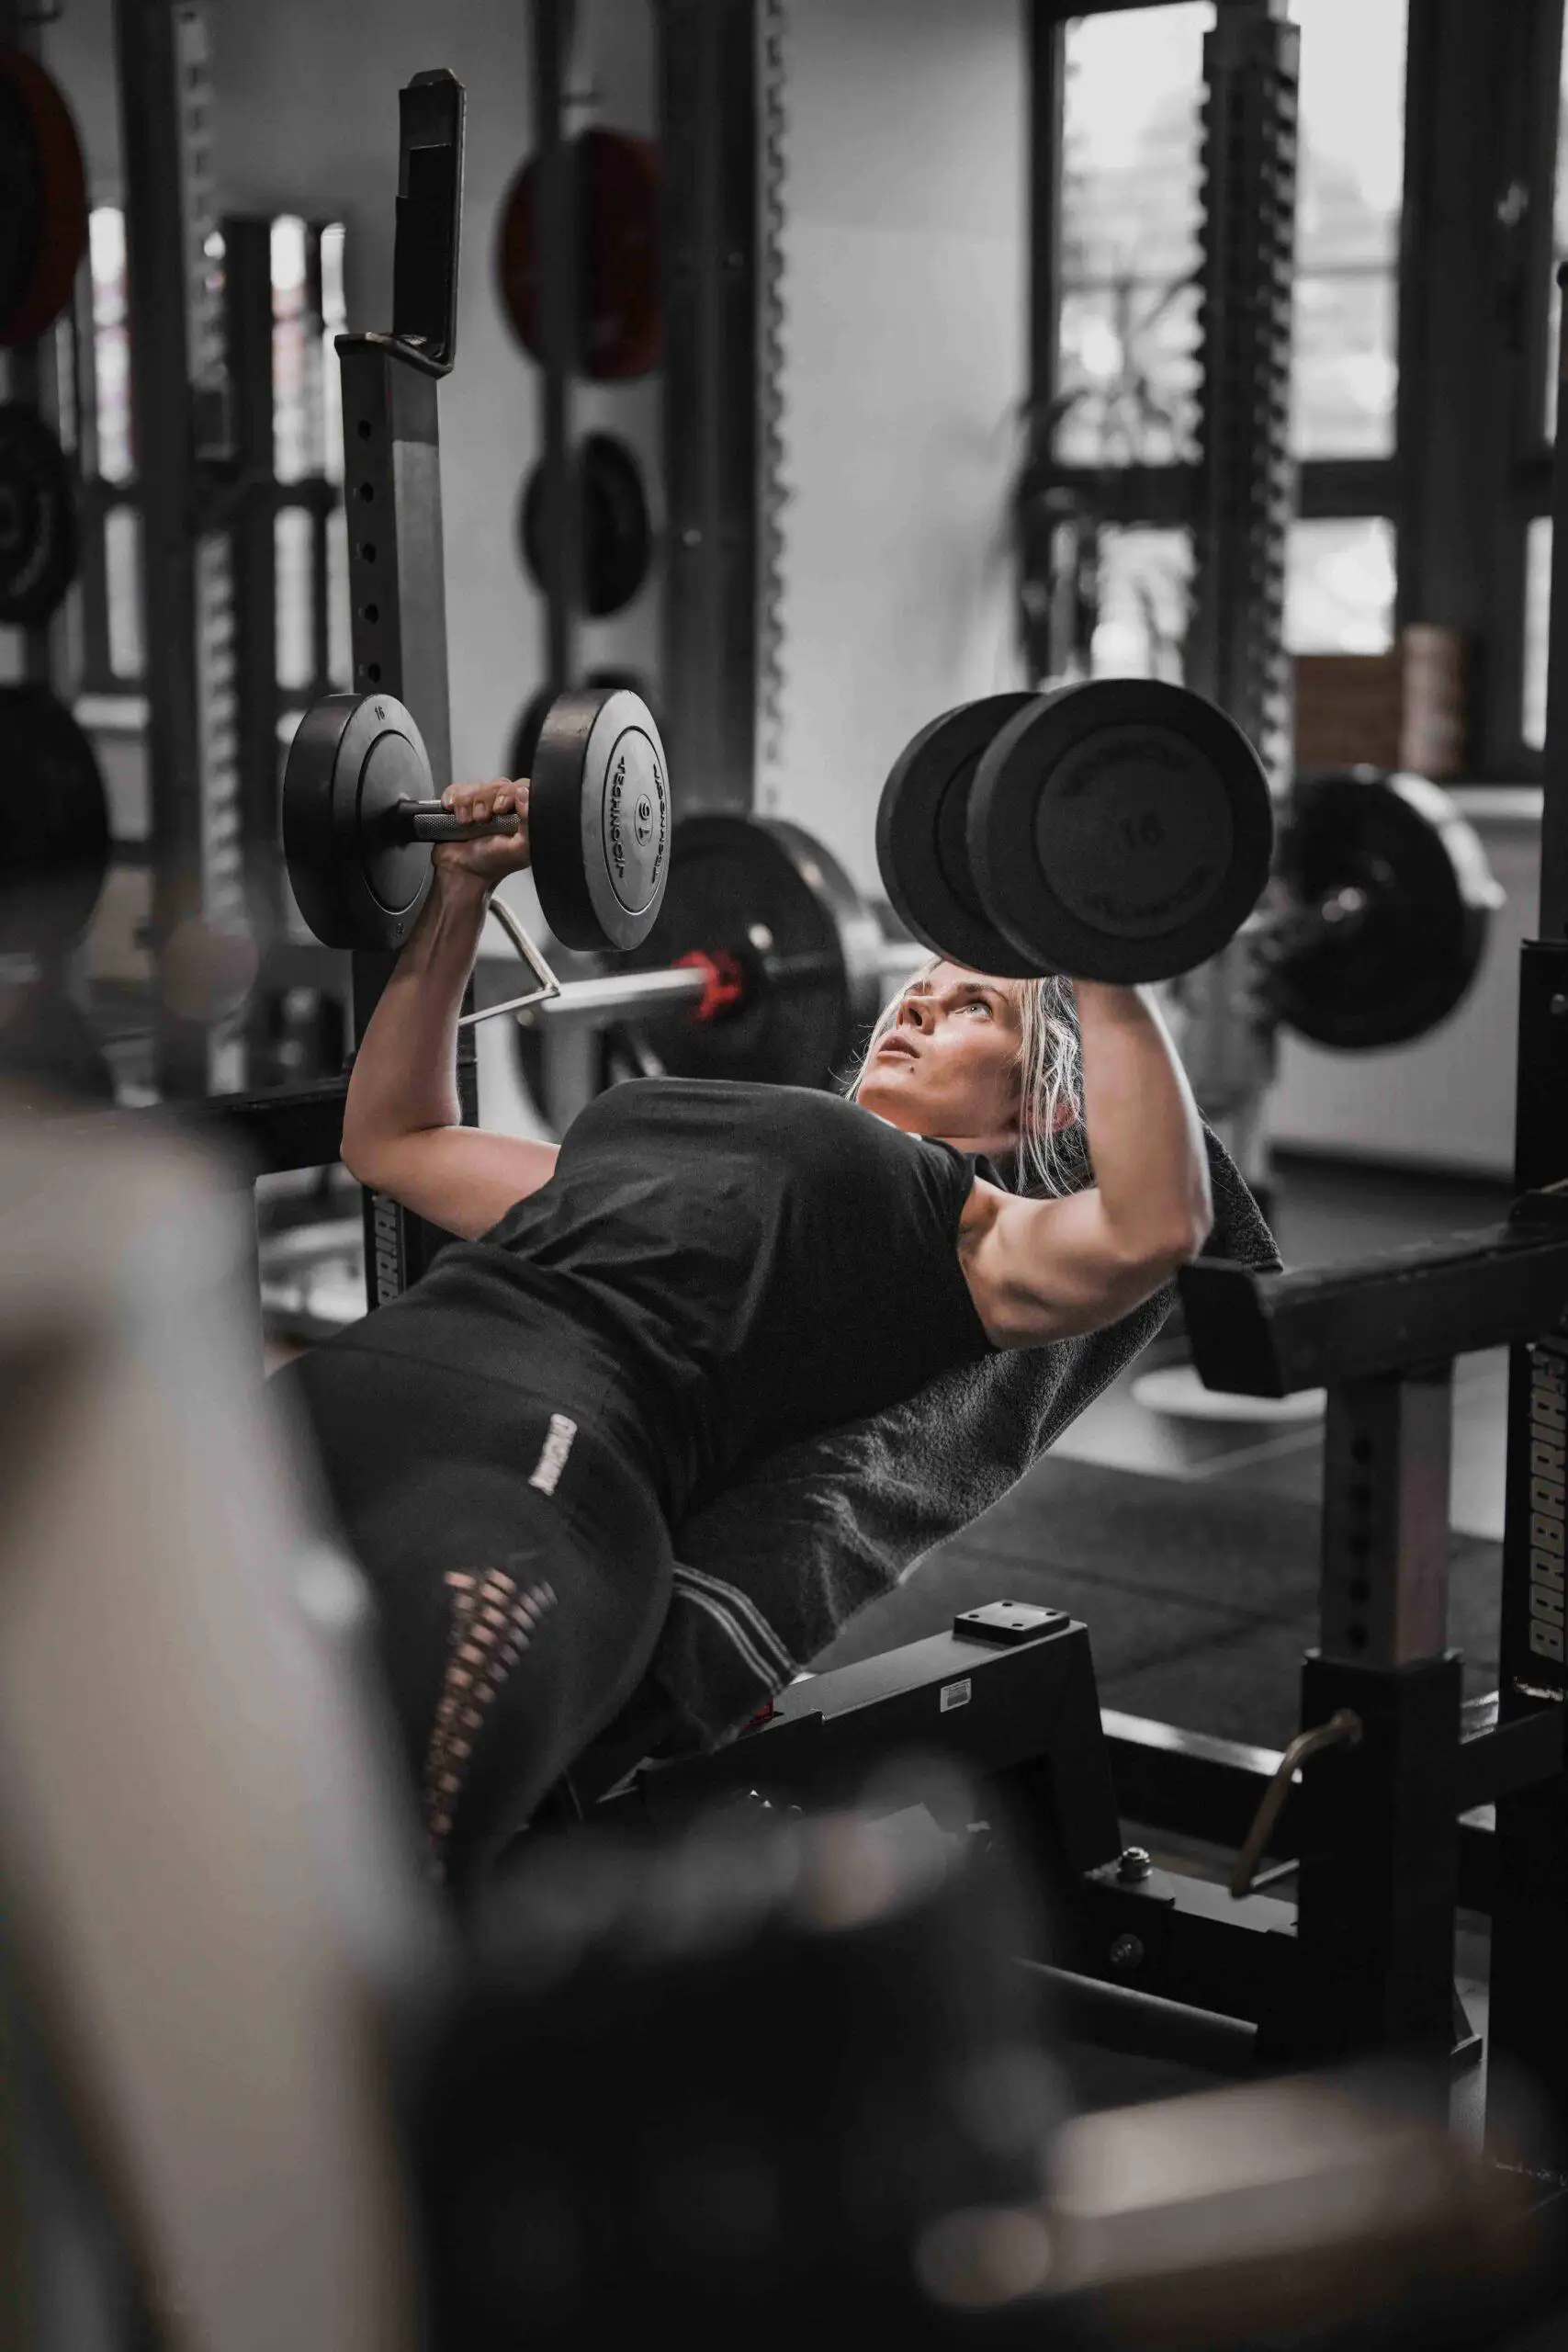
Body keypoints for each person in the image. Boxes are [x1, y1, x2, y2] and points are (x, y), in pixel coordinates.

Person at [273, 773, 1215, 1890]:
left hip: (543, 1457)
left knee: (378, 1867)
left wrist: (1096, 955)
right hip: (351, 1382)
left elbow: (1156, 1223)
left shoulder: (954, 1229)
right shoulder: (667, 1125)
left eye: (974, 1008)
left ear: (1043, 1107)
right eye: (920, 986)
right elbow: (393, 1136)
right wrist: (463, 888)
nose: (915, 1004)